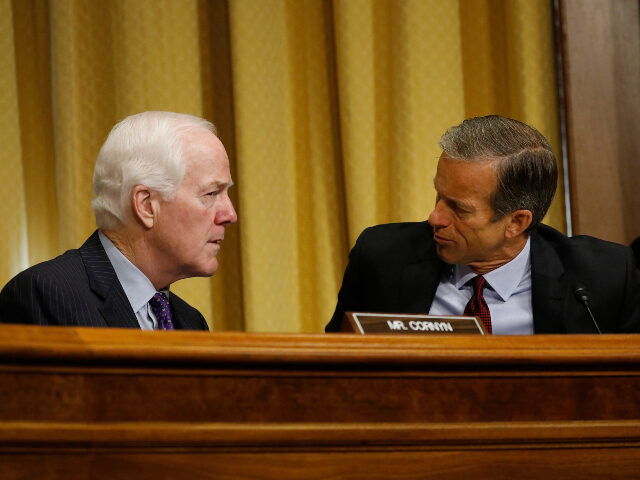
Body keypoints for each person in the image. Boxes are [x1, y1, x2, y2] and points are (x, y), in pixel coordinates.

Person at [326, 115, 640, 334]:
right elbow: (335, 374)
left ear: (516, 222)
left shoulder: (603, 278)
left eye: (459, 209)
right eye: (439, 196)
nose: (435, 218)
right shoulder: (383, 258)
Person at [0, 111, 237, 329]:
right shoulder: (45, 294)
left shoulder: (191, 322)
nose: (230, 214)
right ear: (146, 205)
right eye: (211, 194)